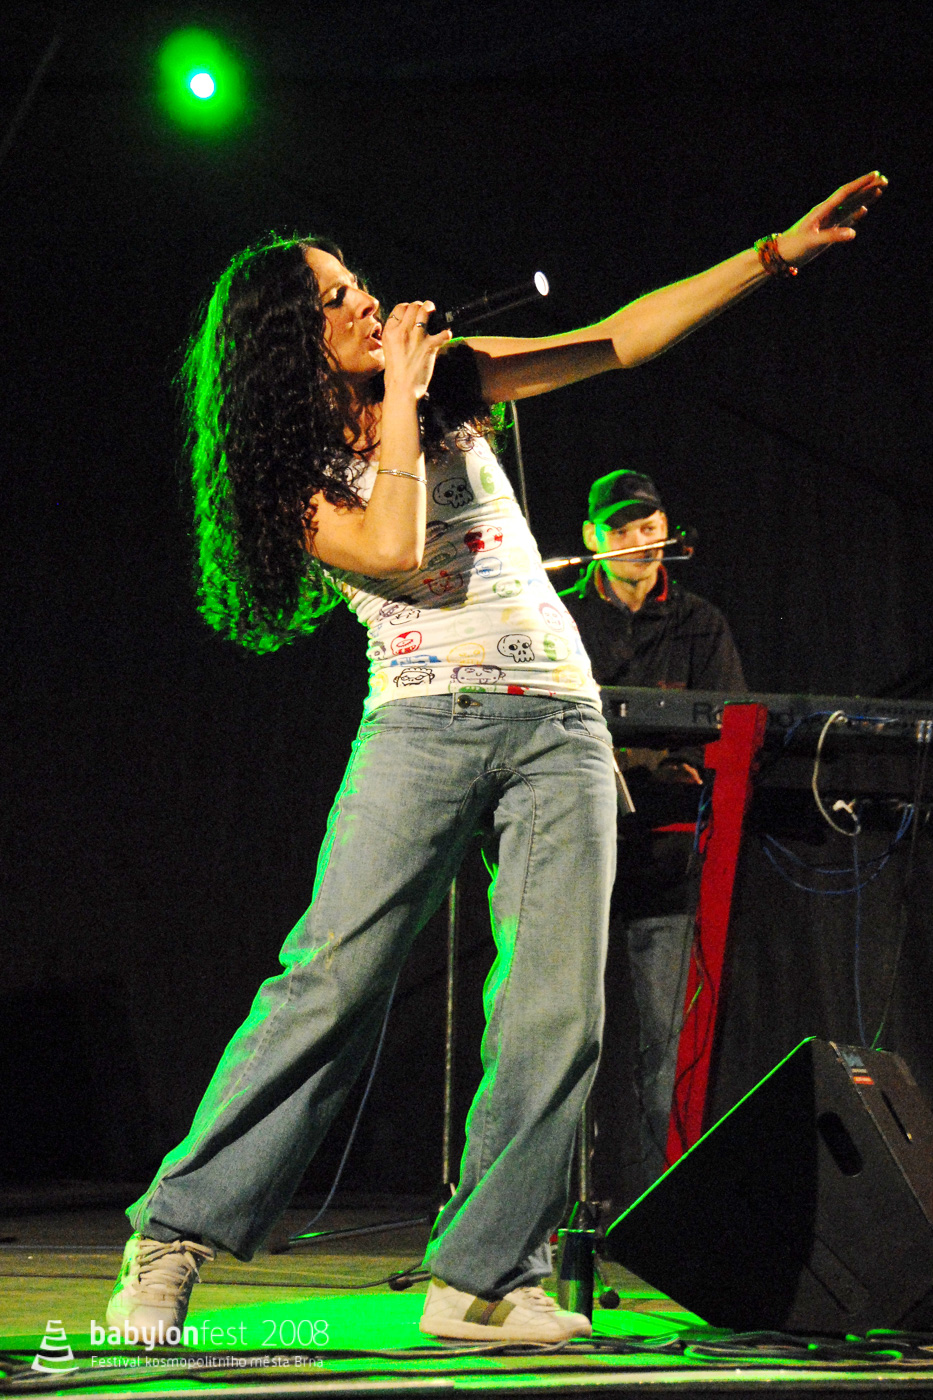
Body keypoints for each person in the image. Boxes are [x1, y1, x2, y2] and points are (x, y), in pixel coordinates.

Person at [105, 172, 886, 1346]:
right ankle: (173, 1234)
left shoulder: (452, 379)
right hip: (421, 724)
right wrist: (405, 392)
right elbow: (394, 544)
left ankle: (480, 1274)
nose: (368, 302)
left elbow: (620, 337)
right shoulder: (293, 467)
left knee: (558, 1010)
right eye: (337, 298)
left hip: (558, 721)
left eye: (360, 284)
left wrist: (772, 252)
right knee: (329, 984)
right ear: (286, 340)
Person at [561, 468, 746, 1196]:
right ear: (592, 537)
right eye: (623, 529)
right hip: (575, 848)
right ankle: (546, 1211)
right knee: (558, 1033)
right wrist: (656, 756)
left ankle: (657, 1215)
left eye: (650, 527)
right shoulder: (559, 615)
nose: (640, 540)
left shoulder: (701, 623)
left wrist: (639, 755)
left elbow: (725, 731)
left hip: (665, 855)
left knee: (667, 1048)